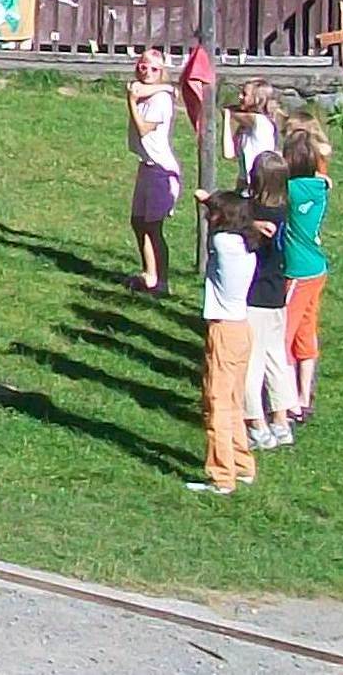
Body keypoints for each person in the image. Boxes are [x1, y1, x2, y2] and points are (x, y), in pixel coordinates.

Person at [187, 190, 259, 495]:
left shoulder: (223, 243)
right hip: (241, 328)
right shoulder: (245, 244)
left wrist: (207, 200)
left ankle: (221, 476)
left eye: (213, 213)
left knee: (216, 401)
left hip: (224, 331)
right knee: (233, 401)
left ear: (223, 217)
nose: (208, 217)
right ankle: (242, 463)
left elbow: (211, 221)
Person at [239, 152, 297, 449]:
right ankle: (281, 421)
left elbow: (230, 217)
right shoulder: (285, 210)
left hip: (255, 295)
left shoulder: (251, 212)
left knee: (251, 360)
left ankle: (257, 425)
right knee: (276, 358)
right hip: (277, 294)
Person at [282, 122, 332, 423]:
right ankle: (304, 395)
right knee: (306, 330)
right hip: (316, 268)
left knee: (283, 334)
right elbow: (324, 176)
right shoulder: (320, 187)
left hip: (297, 270)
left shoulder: (290, 190)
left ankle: (288, 400)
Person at [126, 48, 180, 297]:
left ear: (162, 72)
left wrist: (132, 103)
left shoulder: (161, 100)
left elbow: (143, 128)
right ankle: (149, 274)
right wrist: (165, 86)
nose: (147, 72)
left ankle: (163, 282)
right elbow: (135, 88)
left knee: (154, 227)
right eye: (143, 66)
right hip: (145, 166)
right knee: (138, 222)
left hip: (161, 170)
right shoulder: (145, 89)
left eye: (154, 69)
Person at [223, 79, 281, 188]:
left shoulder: (261, 122)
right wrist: (226, 119)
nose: (240, 97)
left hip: (261, 184)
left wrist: (229, 112)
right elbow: (228, 154)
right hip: (246, 185)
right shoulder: (245, 129)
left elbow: (240, 115)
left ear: (258, 99)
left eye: (245, 94)